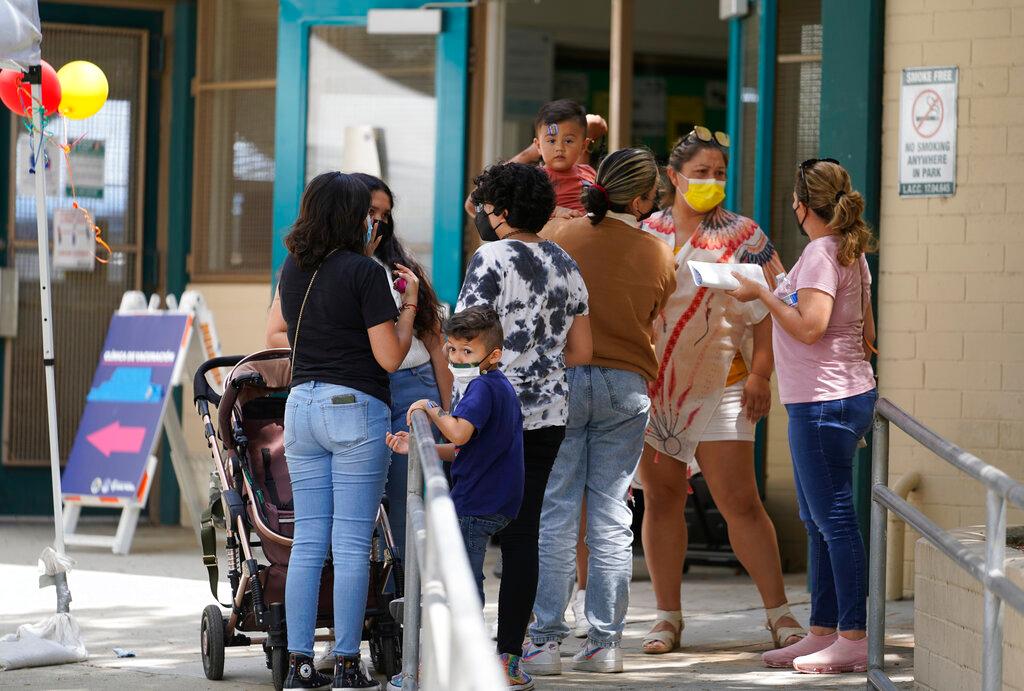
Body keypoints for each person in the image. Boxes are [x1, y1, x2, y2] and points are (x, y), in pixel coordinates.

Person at [637, 128, 805, 655]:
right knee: (662, 501)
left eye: (719, 173)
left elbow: (773, 311)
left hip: (725, 385)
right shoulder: (645, 234)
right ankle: (667, 618)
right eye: (701, 172)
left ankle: (779, 614)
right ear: (673, 176)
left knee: (740, 502)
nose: (711, 182)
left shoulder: (745, 235)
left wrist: (761, 375)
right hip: (656, 390)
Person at [522, 148, 676, 676]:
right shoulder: (660, 253)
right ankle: (605, 644)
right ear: (641, 199)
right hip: (627, 385)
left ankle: (543, 642)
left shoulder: (562, 238)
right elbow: (652, 318)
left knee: (557, 511)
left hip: (564, 381)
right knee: (612, 516)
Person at [727, 158, 878, 674]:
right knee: (817, 520)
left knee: (834, 521)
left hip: (822, 403)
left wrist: (765, 295)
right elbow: (865, 331)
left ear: (800, 205)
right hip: (839, 396)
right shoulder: (847, 251)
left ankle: (853, 636)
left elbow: (811, 327)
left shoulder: (821, 252)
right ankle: (822, 631)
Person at [277, 172, 420, 691]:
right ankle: (343, 664)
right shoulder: (364, 272)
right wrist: (409, 305)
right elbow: (390, 355)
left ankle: (295, 665)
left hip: (301, 406)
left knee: (308, 542)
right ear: (351, 215)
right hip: (354, 407)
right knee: (353, 543)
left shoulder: (293, 267)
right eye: (365, 211)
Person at [266, 173, 452, 560]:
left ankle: (399, 605)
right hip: (348, 388)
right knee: (345, 527)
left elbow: (434, 341)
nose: (377, 222)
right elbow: (275, 335)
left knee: (406, 506)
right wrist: (345, 345)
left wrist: (449, 411)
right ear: (347, 210)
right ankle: (361, 609)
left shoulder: (396, 266)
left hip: (409, 387)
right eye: (370, 211)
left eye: (385, 214)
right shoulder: (314, 265)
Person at [460, 161, 592, 690]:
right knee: (523, 535)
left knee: (468, 529)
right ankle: (509, 657)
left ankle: (462, 651)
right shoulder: (565, 261)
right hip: (548, 414)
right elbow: (583, 349)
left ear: (504, 213)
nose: (484, 217)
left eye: (488, 209)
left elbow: (468, 341)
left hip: (490, 412)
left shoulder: (489, 258)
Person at [386, 306, 524, 606]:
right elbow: (466, 448)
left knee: (463, 580)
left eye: (468, 351)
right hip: (496, 500)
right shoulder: (498, 386)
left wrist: (429, 406)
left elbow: (459, 433)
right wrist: (420, 447)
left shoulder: (482, 388)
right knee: (464, 575)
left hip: (477, 502)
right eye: (454, 349)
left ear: (494, 355)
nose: (458, 358)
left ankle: (465, 644)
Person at [464, 99, 607, 221]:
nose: (559, 148)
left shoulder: (589, 173)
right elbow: (472, 204)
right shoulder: (532, 178)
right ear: (538, 145)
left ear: (584, 146)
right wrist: (554, 211)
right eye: (551, 141)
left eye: (568, 141)